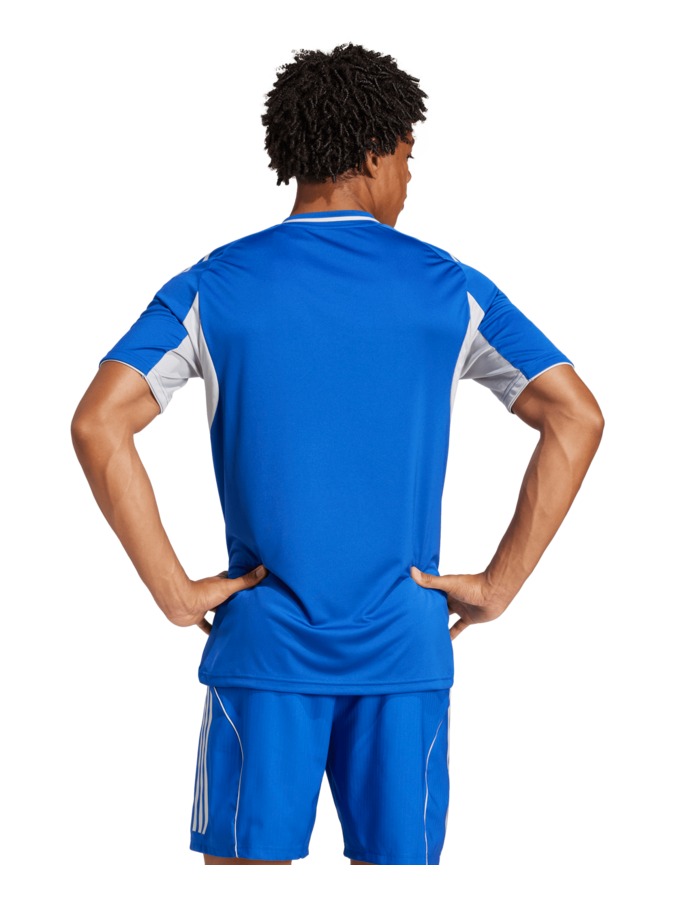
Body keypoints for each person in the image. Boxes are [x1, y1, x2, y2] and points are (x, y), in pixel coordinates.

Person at [71, 42, 604, 866]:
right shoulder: (448, 286)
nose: (408, 181)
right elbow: (575, 415)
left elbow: (99, 421)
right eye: (408, 159)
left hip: (264, 649)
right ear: (375, 153)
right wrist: (498, 586)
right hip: (402, 650)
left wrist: (173, 592)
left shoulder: (213, 284)